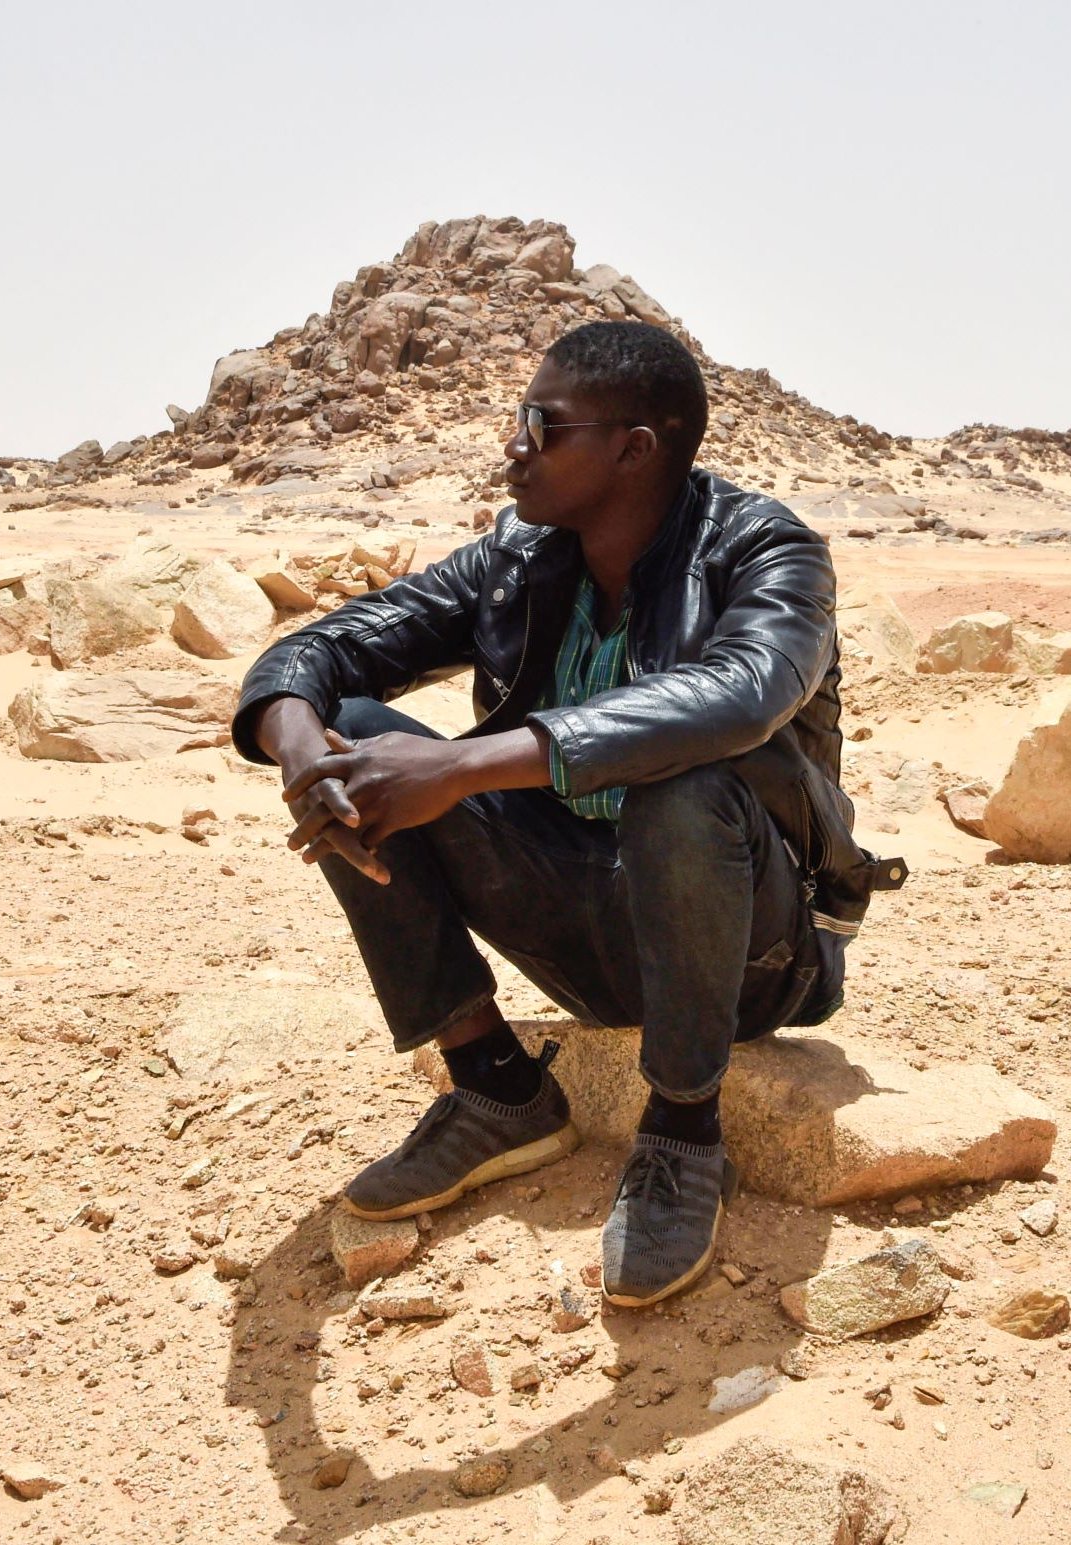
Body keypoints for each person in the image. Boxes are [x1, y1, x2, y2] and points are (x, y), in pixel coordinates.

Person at [234, 322, 902, 1308]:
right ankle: (496, 1086)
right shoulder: (521, 558)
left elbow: (744, 691)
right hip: (584, 924)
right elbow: (335, 644)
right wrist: (299, 744)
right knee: (352, 737)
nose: (514, 444)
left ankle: (680, 1134)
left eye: (540, 425)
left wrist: (464, 768)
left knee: (683, 778)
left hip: (750, 952)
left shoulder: (765, 551)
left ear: (633, 447)